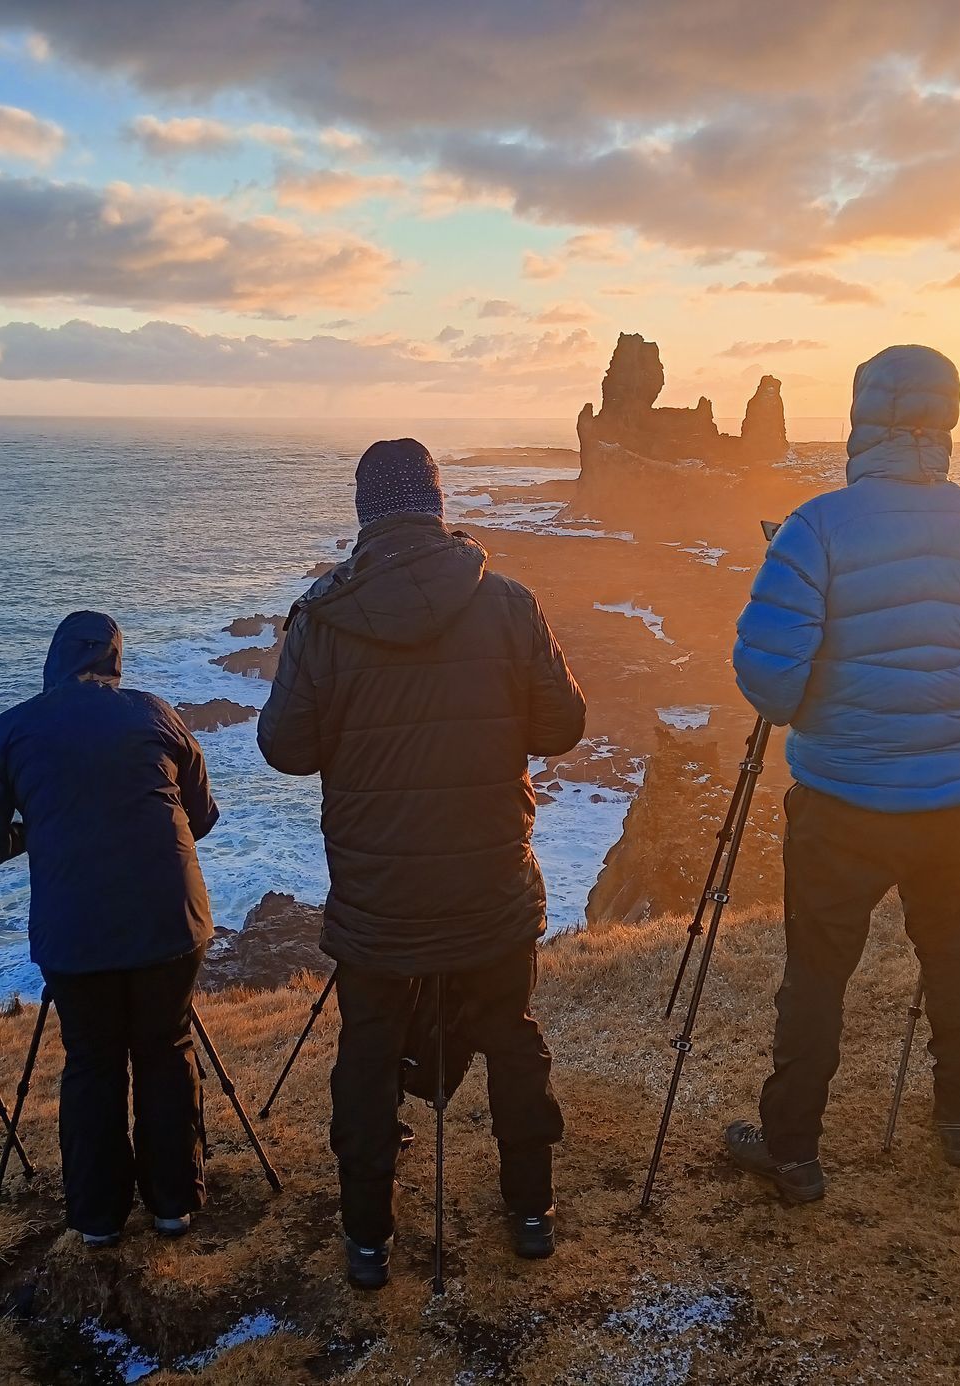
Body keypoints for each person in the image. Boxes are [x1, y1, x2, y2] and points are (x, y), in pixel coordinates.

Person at [727, 345, 960, 1202]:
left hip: (840, 798)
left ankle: (793, 1149)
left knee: (816, 975)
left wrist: (826, 705)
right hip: (955, 795)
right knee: (951, 949)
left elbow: (768, 682)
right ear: (948, 419)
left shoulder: (815, 529)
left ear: (860, 417)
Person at [258, 438, 587, 1289]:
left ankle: (369, 1238)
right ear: (437, 506)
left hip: (379, 897)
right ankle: (530, 1214)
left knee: (368, 1049)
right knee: (510, 1037)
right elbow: (561, 728)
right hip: (491, 886)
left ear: (367, 512)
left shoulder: (322, 617)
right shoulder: (510, 603)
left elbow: (285, 749)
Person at [0, 610, 220, 1247]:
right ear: (115, 661)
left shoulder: (9, 731)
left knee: (93, 1061)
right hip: (171, 919)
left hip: (77, 930)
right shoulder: (155, 712)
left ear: (55, 662)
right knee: (165, 1047)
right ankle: (174, 1204)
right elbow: (201, 816)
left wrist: (31, 832)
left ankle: (97, 1219)